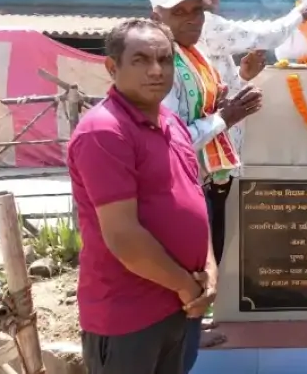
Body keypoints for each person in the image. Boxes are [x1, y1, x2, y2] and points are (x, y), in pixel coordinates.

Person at [68, 19, 214, 374]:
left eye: (164, 60)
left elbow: (194, 199)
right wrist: (186, 287)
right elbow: (124, 237)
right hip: (128, 316)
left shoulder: (171, 122)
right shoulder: (105, 131)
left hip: (178, 307)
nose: (156, 70)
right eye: (141, 60)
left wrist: (210, 268)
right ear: (112, 67)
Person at [149, 0, 263, 372]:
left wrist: (236, 97)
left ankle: (193, 335)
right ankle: (183, 344)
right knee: (190, 270)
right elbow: (174, 135)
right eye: (179, 12)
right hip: (182, 183)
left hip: (209, 177)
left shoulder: (193, 54)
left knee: (205, 262)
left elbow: (205, 107)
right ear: (157, 17)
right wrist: (226, 117)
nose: (191, 19)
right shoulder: (161, 65)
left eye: (196, 10)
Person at [175, 0, 307, 267]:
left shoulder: (203, 30)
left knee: (217, 230)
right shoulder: (206, 23)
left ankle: (203, 302)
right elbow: (264, 35)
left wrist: (244, 76)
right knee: (207, 237)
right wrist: (299, 15)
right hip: (201, 154)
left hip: (220, 154)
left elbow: (218, 86)